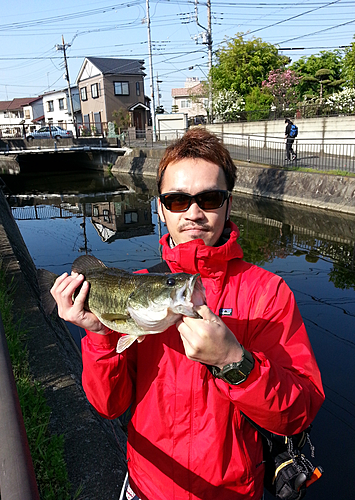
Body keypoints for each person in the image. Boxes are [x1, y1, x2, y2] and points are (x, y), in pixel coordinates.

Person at [51, 128, 324, 500]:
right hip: (147, 486)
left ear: (229, 204)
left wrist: (235, 362)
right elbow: (109, 405)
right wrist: (98, 335)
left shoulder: (267, 293)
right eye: (178, 200)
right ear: (161, 208)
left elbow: (298, 413)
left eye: (209, 198)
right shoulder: (139, 288)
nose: (194, 213)